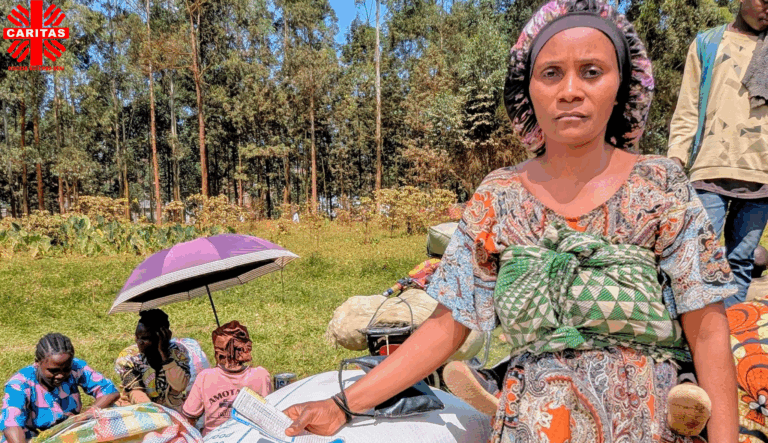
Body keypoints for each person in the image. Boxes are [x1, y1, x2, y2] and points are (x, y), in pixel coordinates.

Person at [281, 1, 739, 442]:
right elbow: (448, 326)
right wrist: (343, 405)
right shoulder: (499, 197)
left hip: (646, 425)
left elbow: (709, 329)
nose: (570, 90)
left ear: (622, 84)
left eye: (592, 71)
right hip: (532, 427)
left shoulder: (660, 184)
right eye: (551, 73)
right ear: (528, 89)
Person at [667, 0, 768, 308]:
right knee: (696, 262)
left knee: (739, 262)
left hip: (761, 173)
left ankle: (731, 344)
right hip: (708, 170)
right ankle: (689, 345)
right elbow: (687, 108)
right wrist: (674, 161)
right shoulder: (708, 43)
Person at [0, 333, 119, 443]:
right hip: (29, 437)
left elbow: (109, 391)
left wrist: (86, 415)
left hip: (68, 429)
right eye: (53, 371)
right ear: (38, 363)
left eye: (66, 369)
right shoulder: (20, 384)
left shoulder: (75, 367)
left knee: (112, 413)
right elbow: (11, 424)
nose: (61, 375)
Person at [181, 321, 271, 436]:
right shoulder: (261, 375)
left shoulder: (205, 377)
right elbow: (269, 415)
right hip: (250, 437)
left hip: (214, 438)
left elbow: (189, 417)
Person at [115, 309, 208, 411]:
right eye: (137, 337)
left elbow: (179, 386)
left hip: (172, 408)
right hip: (138, 409)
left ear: (163, 337)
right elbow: (136, 393)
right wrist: (156, 414)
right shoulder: (129, 357)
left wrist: (165, 356)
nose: (139, 342)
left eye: (145, 338)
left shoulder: (178, 352)